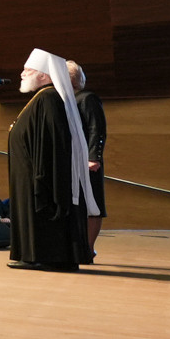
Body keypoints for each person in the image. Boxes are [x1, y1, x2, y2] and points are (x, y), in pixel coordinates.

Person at [7, 48, 96, 271]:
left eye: (28, 70)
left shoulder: (48, 97)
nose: (22, 74)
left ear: (44, 75)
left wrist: (41, 173)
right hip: (29, 170)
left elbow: (53, 140)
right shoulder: (44, 97)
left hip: (39, 172)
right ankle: (33, 255)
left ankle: (45, 256)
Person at [69, 61, 107, 256]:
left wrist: (94, 157)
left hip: (87, 161)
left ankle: (88, 248)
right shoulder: (65, 100)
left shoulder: (87, 98)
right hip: (72, 161)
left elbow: (96, 129)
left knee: (92, 205)